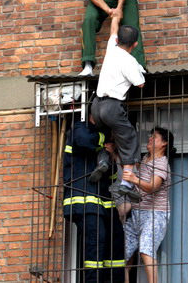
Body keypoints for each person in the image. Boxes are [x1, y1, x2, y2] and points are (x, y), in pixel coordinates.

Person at [63, 114, 125, 282]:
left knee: (116, 238)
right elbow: (84, 141)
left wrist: (110, 155)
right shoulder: (79, 128)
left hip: (103, 200)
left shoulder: (101, 145)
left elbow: (111, 176)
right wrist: (105, 140)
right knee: (96, 240)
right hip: (83, 198)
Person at [91, 16, 145, 202]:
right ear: (135, 44)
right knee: (129, 138)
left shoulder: (111, 48)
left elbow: (113, 29)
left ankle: (104, 160)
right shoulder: (129, 61)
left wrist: (115, 16)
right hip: (112, 106)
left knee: (108, 137)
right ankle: (127, 183)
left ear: (118, 39)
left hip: (96, 106)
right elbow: (140, 84)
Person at [122, 126, 174, 283]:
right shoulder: (145, 158)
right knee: (124, 252)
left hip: (155, 214)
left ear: (164, 143)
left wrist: (134, 179)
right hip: (137, 213)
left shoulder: (161, 163)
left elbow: (153, 186)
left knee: (146, 249)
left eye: (155, 137)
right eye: (150, 136)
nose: (150, 139)